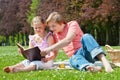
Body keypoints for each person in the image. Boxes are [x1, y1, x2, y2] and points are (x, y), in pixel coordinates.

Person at [41, 12, 113, 72]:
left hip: (85, 52)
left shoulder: (72, 24)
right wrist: (49, 58)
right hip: (76, 58)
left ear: (61, 23)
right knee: (72, 59)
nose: (51, 29)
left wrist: (49, 49)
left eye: (53, 26)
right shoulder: (54, 35)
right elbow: (55, 53)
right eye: (50, 27)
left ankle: (106, 63)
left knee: (86, 36)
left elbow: (68, 40)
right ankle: (90, 67)